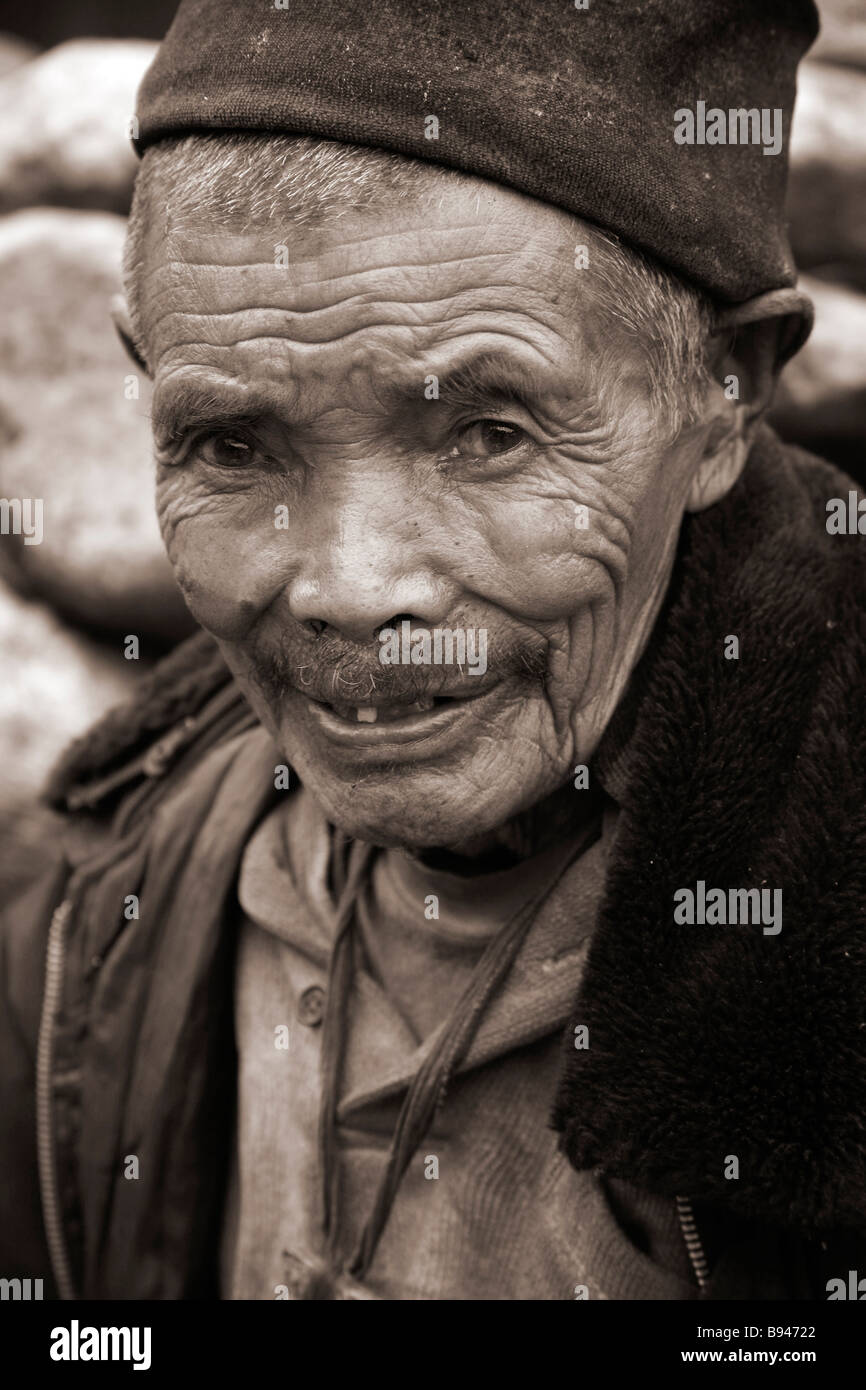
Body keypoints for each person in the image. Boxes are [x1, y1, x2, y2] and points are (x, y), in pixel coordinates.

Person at [2, 0, 864, 1300]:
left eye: (487, 434)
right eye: (233, 446)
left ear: (721, 391)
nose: (351, 589)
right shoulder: (96, 897)